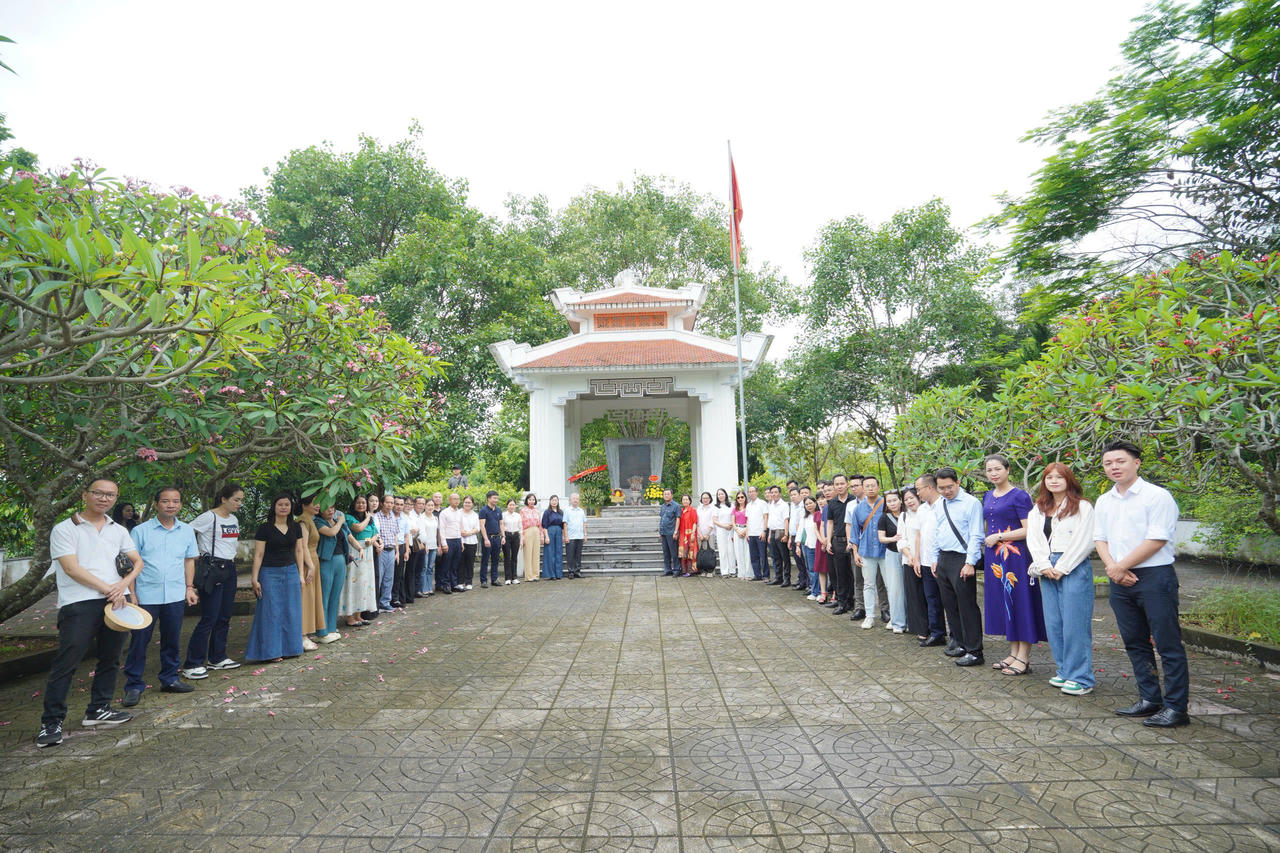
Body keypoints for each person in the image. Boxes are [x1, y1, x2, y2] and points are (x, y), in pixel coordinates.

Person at [37, 477, 141, 748]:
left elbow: (137, 562)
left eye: (111, 495)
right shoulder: (65, 529)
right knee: (67, 662)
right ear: (85, 495)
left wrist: (122, 586)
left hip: (117, 602)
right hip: (79, 603)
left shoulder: (117, 529)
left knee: (111, 657)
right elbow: (71, 569)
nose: (105, 499)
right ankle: (51, 721)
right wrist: (110, 588)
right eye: (99, 493)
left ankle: (99, 709)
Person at [1094, 440, 1189, 728]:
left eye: (1120, 461)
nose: (1114, 467)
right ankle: (1150, 699)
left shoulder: (1156, 496)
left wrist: (1121, 566)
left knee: (1167, 643)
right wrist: (1113, 568)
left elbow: (1157, 539)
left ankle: (1176, 707)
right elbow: (1100, 539)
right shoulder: (1104, 500)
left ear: (1136, 463)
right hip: (1119, 579)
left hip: (1154, 577)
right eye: (1109, 463)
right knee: (1134, 642)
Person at [122, 487, 199, 707]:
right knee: (139, 641)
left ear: (181, 504)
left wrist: (189, 588)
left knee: (172, 639)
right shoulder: (141, 531)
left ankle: (170, 679)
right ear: (156, 504)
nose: (171, 505)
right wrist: (132, 594)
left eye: (175, 501)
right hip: (146, 595)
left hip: (175, 594)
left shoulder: (186, 531)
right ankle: (134, 686)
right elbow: (131, 565)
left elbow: (188, 561)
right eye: (166, 501)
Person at [1026, 463, 1096, 696]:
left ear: (1069, 480)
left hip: (1073, 566)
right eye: (1049, 477)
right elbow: (1034, 539)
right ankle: (1065, 670)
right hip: (1047, 567)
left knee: (1075, 623)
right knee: (1054, 623)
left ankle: (1081, 677)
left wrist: (1062, 566)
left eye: (1059, 477)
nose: (1054, 481)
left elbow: (1086, 540)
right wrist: (1045, 566)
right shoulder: (1038, 509)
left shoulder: (1082, 507)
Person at [980, 455, 1044, 676]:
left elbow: (1029, 529)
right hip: (995, 558)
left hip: (1016, 557)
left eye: (998, 469)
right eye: (989, 470)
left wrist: (999, 536)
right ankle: (1013, 652)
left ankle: (1024, 657)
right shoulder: (988, 495)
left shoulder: (1020, 496)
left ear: (1007, 470)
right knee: (1005, 602)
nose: (994, 473)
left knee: (1020, 601)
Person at [182, 483, 245, 679]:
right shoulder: (209, 517)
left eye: (241, 500)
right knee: (209, 616)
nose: (239, 504)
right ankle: (192, 663)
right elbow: (186, 532)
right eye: (236, 499)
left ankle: (217, 658)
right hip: (213, 569)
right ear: (224, 498)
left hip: (230, 568)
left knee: (224, 616)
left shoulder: (233, 518)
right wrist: (196, 553)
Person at [927, 467, 986, 667]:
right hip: (944, 558)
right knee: (950, 605)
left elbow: (977, 534)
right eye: (941, 488)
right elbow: (937, 532)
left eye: (949, 487)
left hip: (962, 558)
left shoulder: (972, 503)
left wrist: (970, 562)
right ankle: (960, 643)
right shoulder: (939, 504)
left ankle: (975, 650)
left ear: (958, 482)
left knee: (967, 606)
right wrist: (934, 558)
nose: (946, 491)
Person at [245, 492, 306, 663]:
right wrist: (254, 578)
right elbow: (258, 554)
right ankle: (270, 652)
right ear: (274, 506)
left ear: (291, 507)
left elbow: (299, 551)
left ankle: (291, 649)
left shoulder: (296, 527)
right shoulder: (264, 528)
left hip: (291, 571)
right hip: (269, 572)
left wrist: (301, 574)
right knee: (270, 612)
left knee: (291, 610)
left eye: (287, 504)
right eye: (280, 504)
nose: (283, 507)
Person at [848, 476, 889, 629]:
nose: (870, 488)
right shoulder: (858, 508)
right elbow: (854, 532)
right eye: (867, 486)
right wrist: (855, 553)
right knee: (868, 584)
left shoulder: (886, 504)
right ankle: (870, 616)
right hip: (866, 551)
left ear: (878, 487)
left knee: (889, 584)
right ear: (863, 489)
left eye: (873, 485)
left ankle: (892, 615)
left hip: (886, 551)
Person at [913, 474, 948, 648]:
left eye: (919, 489)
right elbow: (919, 534)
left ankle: (957, 636)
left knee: (948, 600)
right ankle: (937, 633)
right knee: (931, 598)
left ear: (930, 487)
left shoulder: (945, 504)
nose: (917, 493)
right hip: (926, 561)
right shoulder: (922, 509)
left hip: (943, 561)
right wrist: (917, 558)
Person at [313, 503, 350, 644]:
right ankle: (321, 631)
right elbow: (331, 533)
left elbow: (348, 536)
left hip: (341, 559)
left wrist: (359, 548)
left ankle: (331, 628)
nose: (330, 510)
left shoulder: (336, 522)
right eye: (326, 507)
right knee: (324, 596)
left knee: (335, 596)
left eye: (332, 507)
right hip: (326, 560)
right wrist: (341, 520)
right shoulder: (318, 522)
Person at [897, 488, 931, 642]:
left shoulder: (928, 511)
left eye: (911, 498)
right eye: (906, 499)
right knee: (915, 596)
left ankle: (935, 628)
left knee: (930, 596)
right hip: (909, 561)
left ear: (919, 497)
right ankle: (921, 628)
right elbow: (901, 539)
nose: (909, 501)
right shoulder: (904, 516)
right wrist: (910, 556)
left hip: (928, 560)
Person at [340, 495, 378, 626]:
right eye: (358, 503)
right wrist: (368, 517)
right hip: (354, 550)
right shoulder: (348, 517)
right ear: (353, 504)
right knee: (352, 582)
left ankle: (359, 615)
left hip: (368, 553)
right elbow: (358, 528)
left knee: (364, 584)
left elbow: (376, 532)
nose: (361, 505)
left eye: (363, 503)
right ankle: (349, 616)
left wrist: (373, 540)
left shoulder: (370, 520)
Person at [875, 490, 909, 633]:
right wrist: (893, 539)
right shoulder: (884, 518)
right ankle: (898, 623)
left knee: (910, 588)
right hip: (893, 554)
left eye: (894, 500)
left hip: (909, 555)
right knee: (895, 589)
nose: (892, 503)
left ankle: (912, 621)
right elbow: (881, 538)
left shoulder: (908, 515)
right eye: (889, 501)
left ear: (900, 500)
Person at [297, 496, 325, 649]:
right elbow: (303, 546)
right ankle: (302, 635)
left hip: (314, 560)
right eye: (314, 503)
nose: (318, 506)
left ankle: (307, 632)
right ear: (304, 505)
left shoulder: (310, 519)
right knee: (306, 597)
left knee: (312, 597)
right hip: (308, 562)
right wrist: (310, 566)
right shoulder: (303, 520)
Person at [826, 474, 854, 614]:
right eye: (837, 484)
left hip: (853, 542)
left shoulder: (854, 500)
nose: (839, 486)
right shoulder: (832, 503)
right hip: (838, 541)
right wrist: (828, 541)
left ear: (847, 484)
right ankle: (842, 603)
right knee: (840, 574)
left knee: (853, 574)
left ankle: (853, 601)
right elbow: (830, 523)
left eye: (842, 483)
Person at [373, 494, 402, 610]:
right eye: (388, 502)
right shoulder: (376, 517)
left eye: (392, 503)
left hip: (391, 551)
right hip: (381, 551)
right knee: (379, 577)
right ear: (382, 503)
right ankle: (375, 604)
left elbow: (395, 536)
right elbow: (376, 534)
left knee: (389, 578)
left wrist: (397, 552)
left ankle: (385, 603)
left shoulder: (393, 517)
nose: (390, 505)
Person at [798, 495, 823, 601]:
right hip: (807, 545)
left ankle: (817, 592)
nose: (809, 506)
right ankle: (815, 590)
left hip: (818, 546)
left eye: (810, 503)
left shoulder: (820, 514)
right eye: (806, 504)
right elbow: (800, 530)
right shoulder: (805, 517)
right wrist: (797, 545)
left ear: (815, 503)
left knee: (816, 570)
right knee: (810, 569)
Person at [438, 493, 463, 593]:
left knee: (455, 564)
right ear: (449, 500)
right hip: (448, 540)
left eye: (458, 499)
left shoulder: (459, 512)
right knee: (446, 564)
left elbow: (460, 527)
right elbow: (442, 529)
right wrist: (444, 544)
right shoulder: (445, 513)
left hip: (457, 540)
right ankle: (446, 585)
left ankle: (454, 584)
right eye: (454, 499)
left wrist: (461, 542)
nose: (456, 501)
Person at [479, 491, 504, 587]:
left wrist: (503, 536)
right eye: (494, 498)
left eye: (497, 498)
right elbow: (482, 525)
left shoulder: (498, 510)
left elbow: (501, 524)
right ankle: (483, 581)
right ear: (489, 498)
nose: (496, 500)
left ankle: (494, 579)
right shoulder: (483, 510)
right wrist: (485, 539)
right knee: (485, 560)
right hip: (488, 538)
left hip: (497, 538)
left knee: (495, 560)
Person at [766, 486, 790, 586]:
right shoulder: (771, 505)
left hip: (781, 532)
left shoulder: (784, 505)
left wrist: (786, 534)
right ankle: (778, 577)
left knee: (784, 557)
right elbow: (771, 520)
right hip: (773, 532)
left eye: (776, 492)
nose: (774, 494)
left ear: (779, 493)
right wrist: (769, 534)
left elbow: (786, 520)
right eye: (772, 492)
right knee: (775, 557)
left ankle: (787, 579)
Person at [744, 485, 769, 581]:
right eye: (749, 492)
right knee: (754, 556)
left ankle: (766, 575)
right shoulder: (748, 505)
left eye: (753, 491)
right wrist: (747, 533)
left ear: (757, 492)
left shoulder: (762, 503)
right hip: (751, 534)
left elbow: (765, 517)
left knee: (763, 556)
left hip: (760, 533)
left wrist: (764, 531)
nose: (751, 493)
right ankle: (757, 575)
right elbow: (748, 520)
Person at [713, 488, 737, 577]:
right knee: (723, 551)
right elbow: (715, 520)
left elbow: (734, 517)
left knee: (731, 550)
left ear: (725, 495)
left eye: (722, 494)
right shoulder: (716, 507)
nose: (720, 496)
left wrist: (730, 524)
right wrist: (724, 526)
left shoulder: (731, 505)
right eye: (719, 494)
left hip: (731, 529)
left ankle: (733, 570)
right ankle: (725, 571)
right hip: (721, 530)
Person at [540, 495, 565, 580]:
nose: (554, 502)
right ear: (550, 501)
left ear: (558, 502)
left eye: (556, 500)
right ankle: (551, 574)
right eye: (553, 500)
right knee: (550, 553)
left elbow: (563, 525)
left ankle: (558, 573)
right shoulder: (547, 512)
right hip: (550, 531)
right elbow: (544, 526)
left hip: (558, 532)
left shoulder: (561, 512)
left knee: (558, 553)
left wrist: (563, 536)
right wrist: (546, 536)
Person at [520, 493, 544, 582]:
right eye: (530, 499)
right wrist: (522, 537)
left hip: (536, 531)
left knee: (536, 554)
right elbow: (521, 525)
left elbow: (540, 524)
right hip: (527, 531)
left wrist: (542, 536)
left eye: (533, 500)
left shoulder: (537, 511)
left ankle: (535, 575)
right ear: (527, 501)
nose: (531, 501)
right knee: (528, 554)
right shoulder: (523, 511)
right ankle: (529, 576)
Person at [417, 497, 439, 596]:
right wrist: (425, 544)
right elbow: (421, 532)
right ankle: (423, 588)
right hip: (425, 546)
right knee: (424, 568)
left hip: (434, 546)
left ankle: (430, 587)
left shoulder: (435, 518)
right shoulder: (422, 517)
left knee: (430, 568)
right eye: (429, 505)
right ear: (425, 506)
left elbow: (437, 532)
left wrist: (438, 545)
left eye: (432, 505)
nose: (430, 507)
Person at [789, 487, 809, 591]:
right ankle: (802, 581)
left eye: (795, 494)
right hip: (793, 536)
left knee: (804, 562)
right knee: (798, 562)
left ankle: (806, 583)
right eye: (791, 495)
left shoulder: (804, 507)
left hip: (801, 538)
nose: (793, 497)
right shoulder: (792, 506)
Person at [657, 489, 681, 577]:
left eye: (668, 494)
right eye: (665, 494)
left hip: (671, 532)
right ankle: (667, 570)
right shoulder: (663, 506)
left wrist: (675, 532)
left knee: (674, 553)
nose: (666, 495)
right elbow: (662, 519)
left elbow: (678, 519)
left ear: (672, 495)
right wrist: (660, 531)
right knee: (666, 553)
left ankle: (676, 570)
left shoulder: (676, 506)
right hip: (663, 533)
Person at [564, 493, 588, 579]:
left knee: (578, 555)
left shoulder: (581, 511)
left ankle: (577, 571)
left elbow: (584, 523)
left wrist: (585, 535)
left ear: (579, 500)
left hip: (580, 536)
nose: (575, 500)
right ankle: (570, 572)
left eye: (577, 499)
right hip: (571, 536)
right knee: (570, 555)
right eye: (573, 498)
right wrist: (566, 536)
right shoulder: (567, 510)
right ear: (570, 500)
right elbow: (565, 524)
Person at [459, 495, 480, 590]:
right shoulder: (458, 513)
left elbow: (477, 528)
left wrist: (469, 533)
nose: (467, 504)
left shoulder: (475, 515)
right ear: (463, 503)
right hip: (460, 541)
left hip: (472, 541)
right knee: (460, 562)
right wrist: (461, 532)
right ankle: (460, 582)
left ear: (472, 504)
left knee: (470, 563)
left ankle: (469, 582)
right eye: (466, 502)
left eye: (469, 502)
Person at [676, 494, 699, 576]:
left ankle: (691, 571)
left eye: (686, 499)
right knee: (683, 553)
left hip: (690, 535)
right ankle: (684, 571)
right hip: (682, 535)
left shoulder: (693, 510)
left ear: (690, 501)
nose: (685, 501)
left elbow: (695, 522)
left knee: (690, 553)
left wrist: (693, 533)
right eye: (683, 499)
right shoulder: (681, 511)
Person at [502, 498, 522, 585]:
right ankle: (507, 578)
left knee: (514, 557)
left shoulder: (518, 515)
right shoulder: (503, 515)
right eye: (510, 505)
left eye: (513, 505)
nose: (512, 506)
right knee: (507, 557)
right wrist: (503, 536)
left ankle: (514, 577)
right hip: (507, 536)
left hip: (516, 536)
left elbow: (520, 527)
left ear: (515, 506)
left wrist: (521, 538)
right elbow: (501, 526)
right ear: (507, 506)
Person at [696, 491, 715, 572]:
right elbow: (697, 522)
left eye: (707, 498)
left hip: (710, 534)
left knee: (710, 553)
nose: (705, 499)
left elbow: (712, 521)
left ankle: (711, 571)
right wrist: (700, 534)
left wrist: (707, 534)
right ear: (701, 499)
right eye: (704, 498)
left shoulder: (713, 508)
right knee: (701, 553)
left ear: (710, 499)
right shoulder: (699, 508)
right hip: (700, 534)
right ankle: (703, 570)